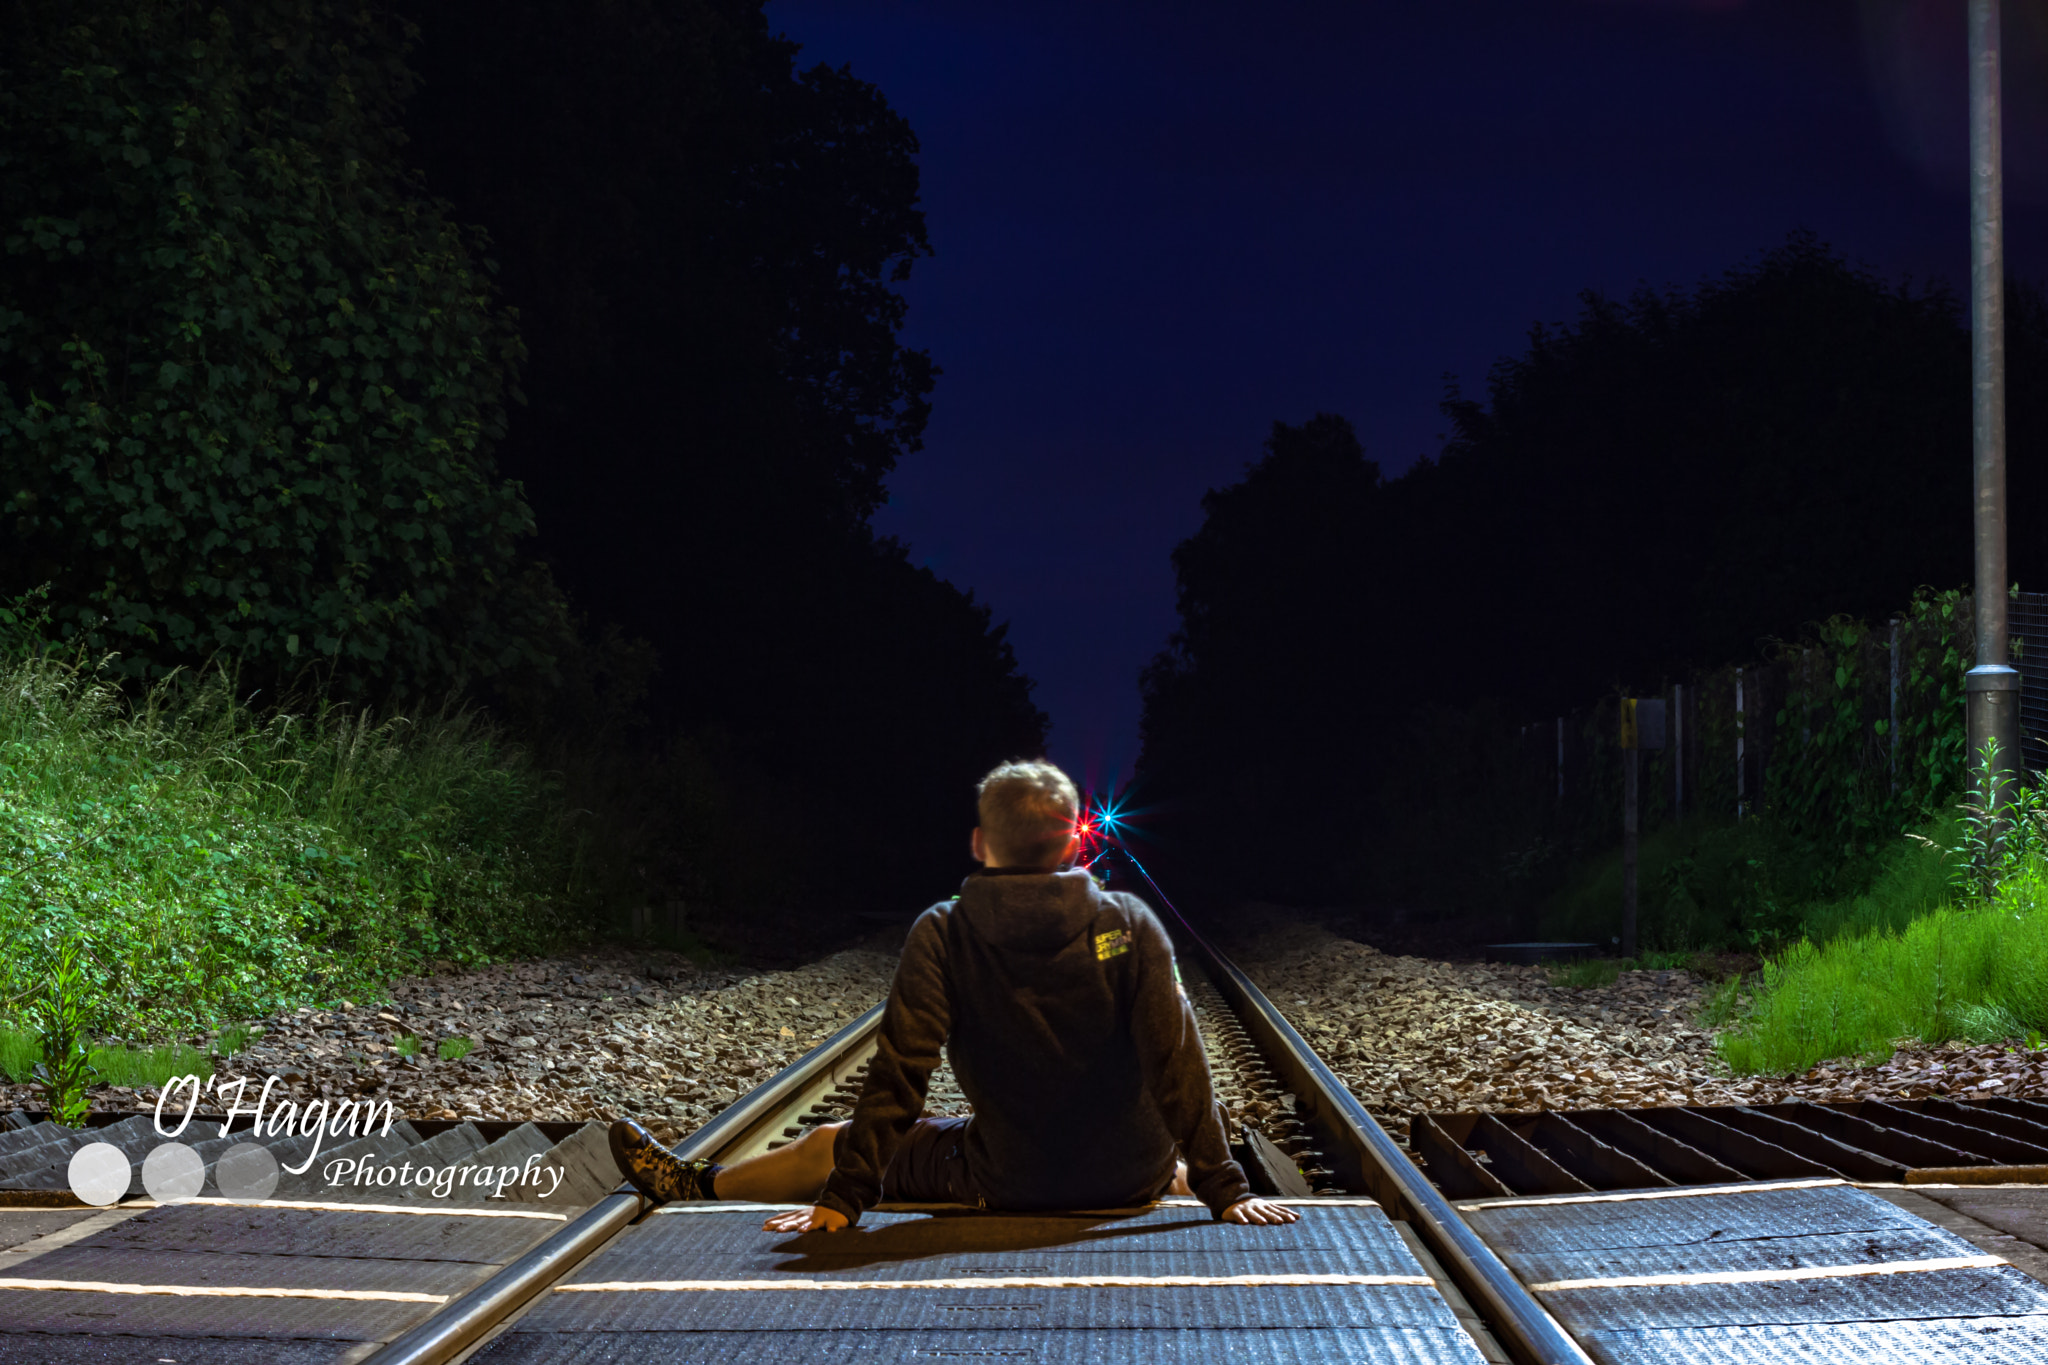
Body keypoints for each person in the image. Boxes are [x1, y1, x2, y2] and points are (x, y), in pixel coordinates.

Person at [610, 759, 1299, 1231]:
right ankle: (1178, 1175)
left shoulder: (944, 930)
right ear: (1074, 842)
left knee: (827, 1141)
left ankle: (696, 1185)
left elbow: (901, 1069)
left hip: (1007, 1178)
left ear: (979, 840)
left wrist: (848, 1194)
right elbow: (1177, 1059)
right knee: (1143, 1146)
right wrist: (1224, 1184)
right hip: (1133, 1174)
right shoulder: (1129, 923)